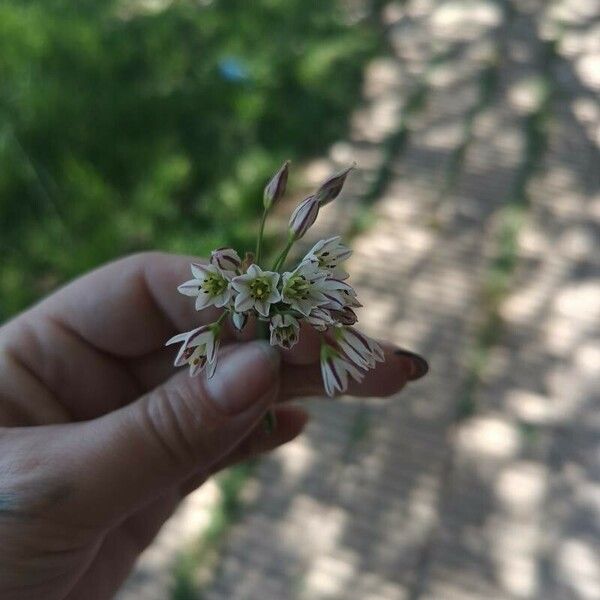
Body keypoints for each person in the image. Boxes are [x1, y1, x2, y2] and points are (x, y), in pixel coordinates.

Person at [0, 252, 427, 599]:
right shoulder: (240, 296)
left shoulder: (261, 296)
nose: (259, 290)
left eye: (258, 287)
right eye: (247, 287)